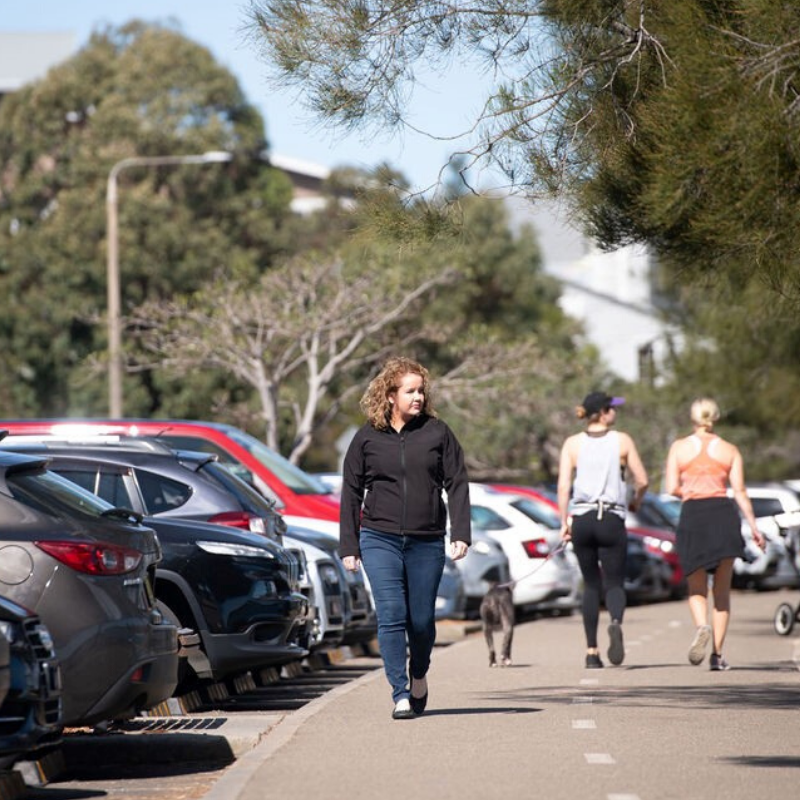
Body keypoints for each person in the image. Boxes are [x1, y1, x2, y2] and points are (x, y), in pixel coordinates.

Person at [340, 357, 471, 719]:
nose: (418, 397)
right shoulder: (367, 437)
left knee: (422, 621)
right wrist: (349, 545)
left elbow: (457, 481)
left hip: (426, 540)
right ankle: (399, 692)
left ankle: (418, 673)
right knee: (392, 614)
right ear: (390, 395)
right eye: (410, 391)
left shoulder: (437, 432)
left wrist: (461, 531)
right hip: (378, 537)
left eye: (420, 391)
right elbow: (351, 491)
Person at [665, 397, 765, 671]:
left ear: (693, 418)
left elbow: (672, 486)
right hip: (722, 515)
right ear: (716, 417)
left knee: (697, 589)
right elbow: (740, 491)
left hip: (693, 515)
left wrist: (692, 489)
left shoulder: (679, 448)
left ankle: (701, 626)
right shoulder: (730, 450)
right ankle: (717, 656)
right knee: (721, 592)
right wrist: (754, 527)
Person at [557, 391, 648, 668]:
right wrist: (634, 501)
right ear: (604, 412)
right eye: (613, 408)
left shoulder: (572, 444)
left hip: (582, 519)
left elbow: (563, 486)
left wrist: (564, 521)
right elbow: (642, 480)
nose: (615, 413)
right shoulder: (622, 441)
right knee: (614, 582)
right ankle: (616, 622)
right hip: (611, 518)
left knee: (591, 584)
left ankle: (592, 652)